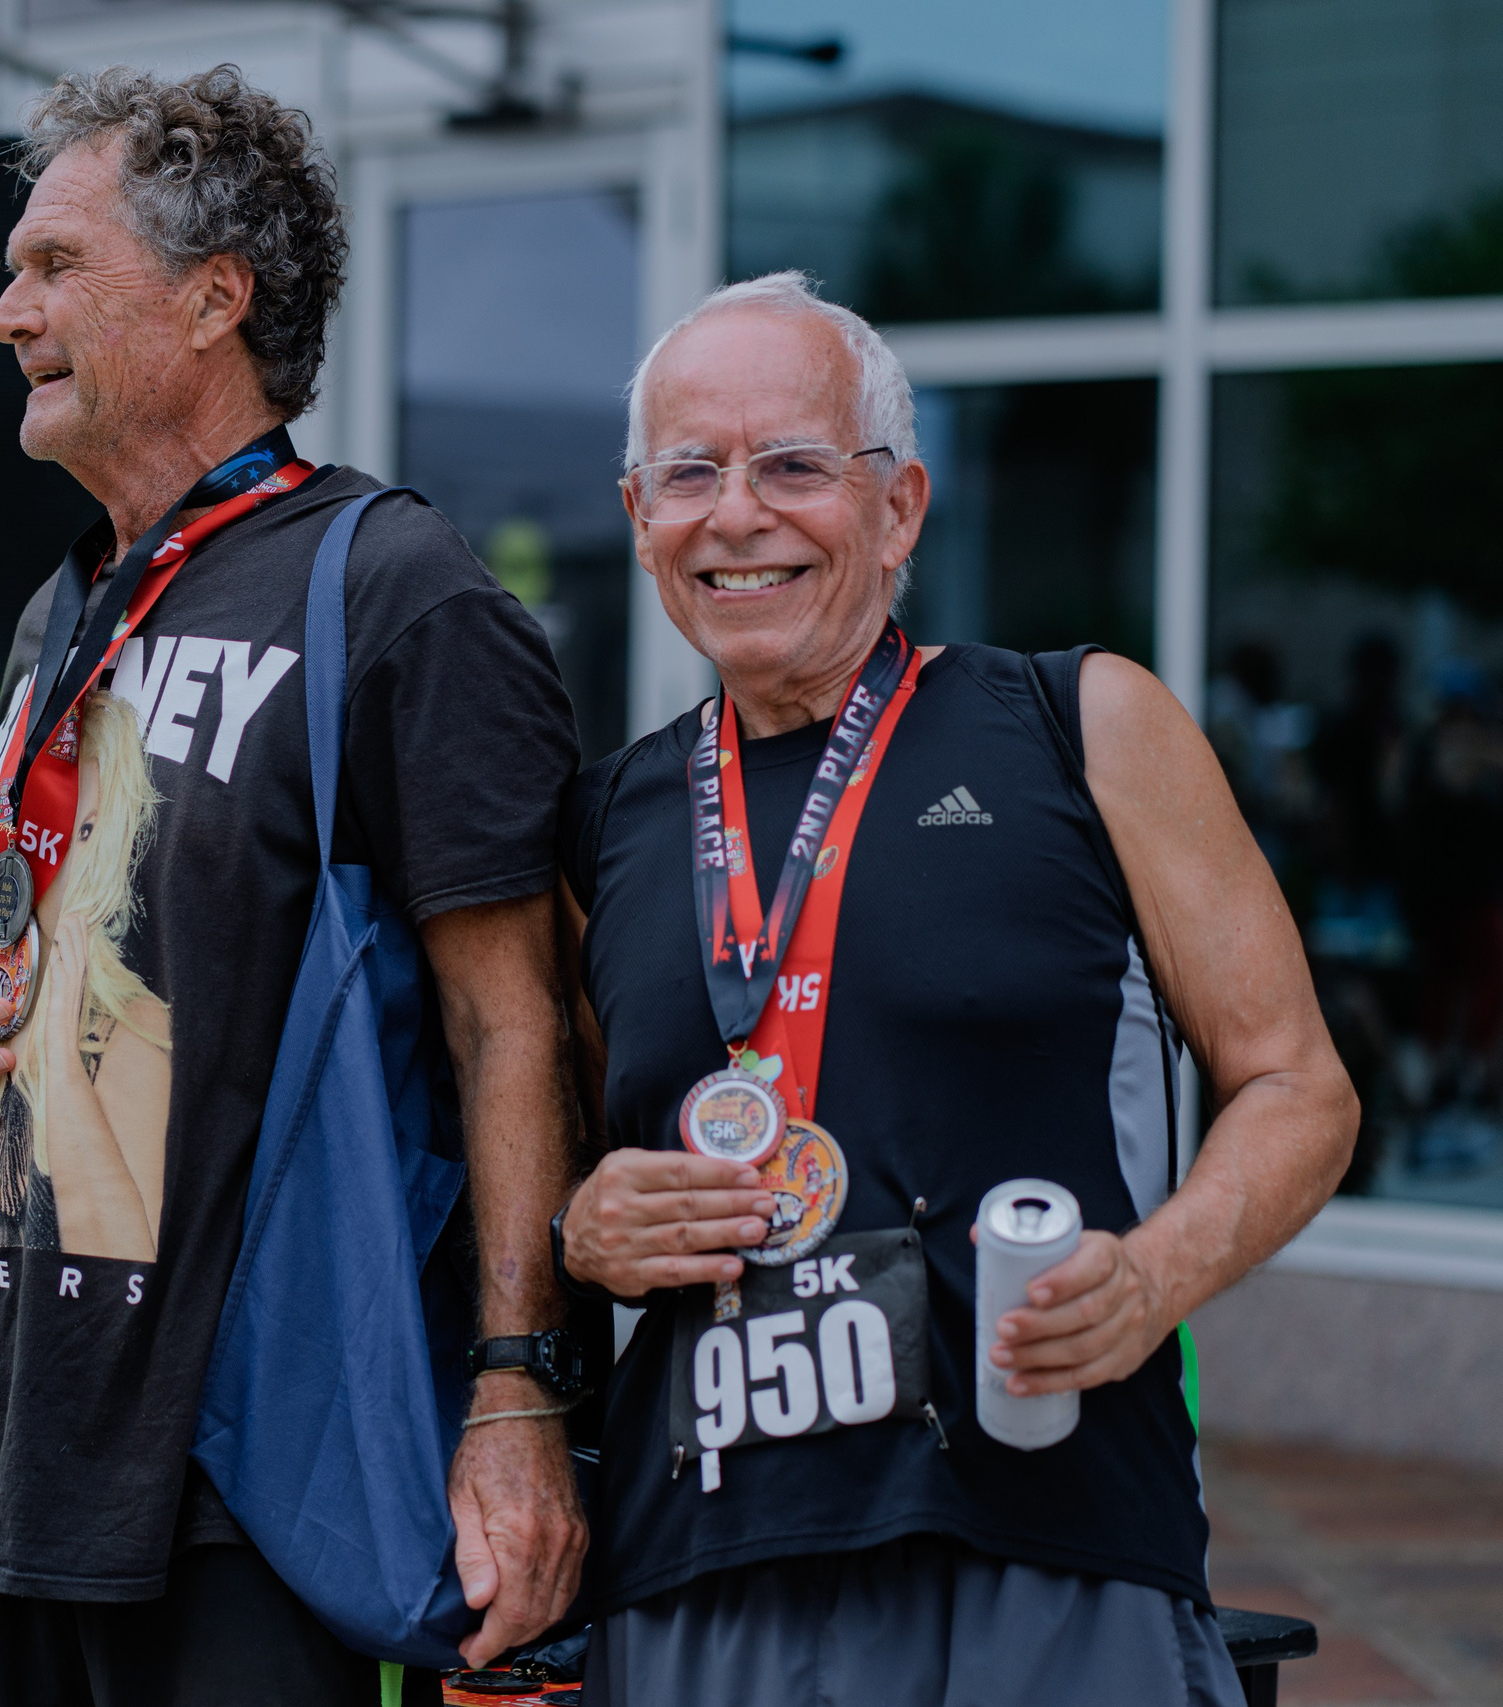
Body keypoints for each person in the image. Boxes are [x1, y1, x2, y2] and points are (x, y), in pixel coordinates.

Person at [0, 66, 589, 1706]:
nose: (3, 314)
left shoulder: (396, 591)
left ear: (213, 300)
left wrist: (517, 1394)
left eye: (54, 267)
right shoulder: (59, 616)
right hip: (7, 1461)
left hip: (243, 1491)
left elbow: (512, 1028)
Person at [553, 271, 1358, 1706]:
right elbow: (557, 1164)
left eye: (794, 464)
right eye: (691, 473)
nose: (736, 514)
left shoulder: (1080, 720)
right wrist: (582, 1222)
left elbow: (1299, 1084)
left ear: (901, 507)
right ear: (639, 521)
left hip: (1049, 1540)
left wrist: (1157, 1276)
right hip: (701, 1570)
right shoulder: (605, 820)